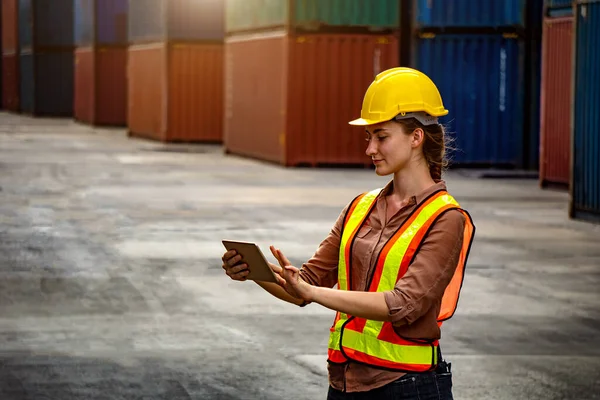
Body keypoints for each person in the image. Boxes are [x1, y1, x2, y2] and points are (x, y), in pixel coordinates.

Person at [221, 67, 475, 399]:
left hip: (408, 388)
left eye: (381, 136)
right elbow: (305, 285)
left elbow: (404, 305)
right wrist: (254, 270)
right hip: (344, 382)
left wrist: (312, 293)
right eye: (369, 137)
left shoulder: (446, 218)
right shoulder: (360, 207)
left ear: (416, 138)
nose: (370, 148)